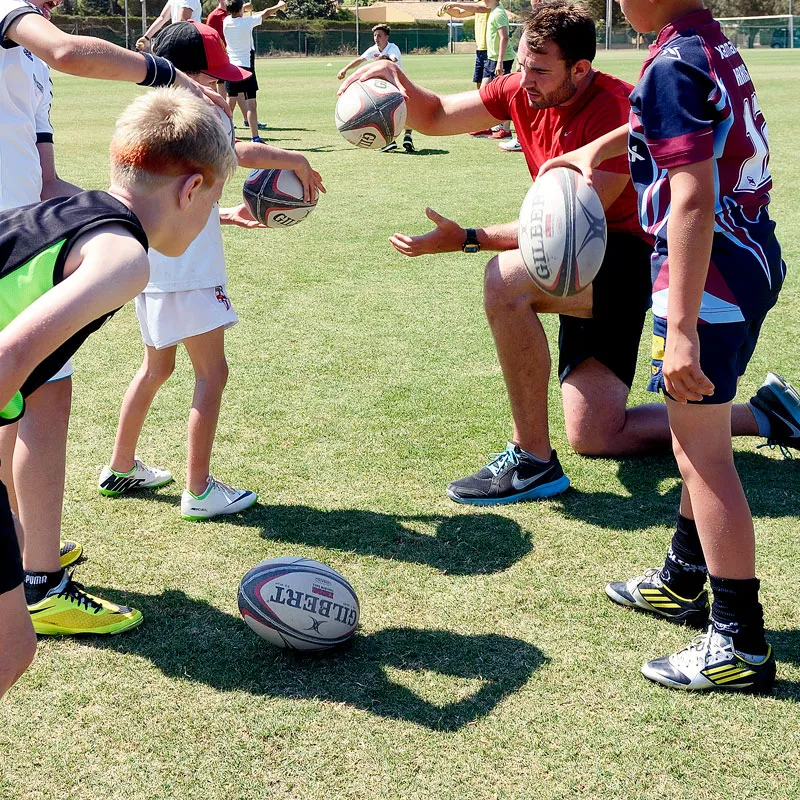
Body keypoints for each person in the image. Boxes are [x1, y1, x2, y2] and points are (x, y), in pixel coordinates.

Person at [339, 1, 798, 508]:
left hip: (629, 258)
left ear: (580, 69)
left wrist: (468, 237)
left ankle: (530, 459)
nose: (524, 79)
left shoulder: (618, 106)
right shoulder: (522, 89)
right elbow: (437, 115)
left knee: (505, 279)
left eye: (538, 70)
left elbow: (568, 227)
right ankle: (766, 415)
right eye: (519, 65)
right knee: (598, 435)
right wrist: (396, 81)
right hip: (585, 256)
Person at [543, 0, 793, 694]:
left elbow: (690, 197)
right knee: (696, 439)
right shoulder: (701, 41)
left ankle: (738, 640)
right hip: (746, 257)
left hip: (709, 277)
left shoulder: (672, 63)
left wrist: (679, 327)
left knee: (702, 456)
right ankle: (685, 577)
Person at [0, 0, 229, 637]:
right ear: (190, 191)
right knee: (12, 647)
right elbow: (6, 363)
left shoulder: (96, 226)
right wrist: (170, 78)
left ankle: (29, 562)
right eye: (214, 202)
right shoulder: (123, 262)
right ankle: (38, 578)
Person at [99, 21, 325, 522]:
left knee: (156, 369)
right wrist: (296, 158)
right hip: (192, 270)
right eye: (211, 75)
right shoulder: (201, 110)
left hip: (151, 262)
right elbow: (236, 156)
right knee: (212, 372)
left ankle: (120, 465)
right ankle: (199, 490)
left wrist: (221, 214)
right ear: (187, 73)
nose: (220, 88)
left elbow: (169, 190)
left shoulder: (147, 113)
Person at [337, 24, 415, 153]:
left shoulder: (392, 48)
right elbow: (360, 59)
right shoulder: (373, 49)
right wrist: (345, 69)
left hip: (398, 83)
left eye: (379, 35)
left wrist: (385, 58)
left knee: (405, 112)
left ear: (386, 37)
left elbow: (393, 59)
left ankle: (407, 137)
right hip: (385, 87)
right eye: (374, 35)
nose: (376, 38)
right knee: (387, 112)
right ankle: (393, 141)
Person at [223, 0, 286, 143]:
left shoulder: (226, 21)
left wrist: (244, 6)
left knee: (229, 105)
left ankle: (223, 136)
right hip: (246, 67)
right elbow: (266, 13)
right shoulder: (247, 23)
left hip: (231, 68)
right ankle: (255, 138)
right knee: (251, 104)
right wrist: (279, 5)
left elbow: (235, 11)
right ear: (240, 10)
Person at [136, 0, 202, 52]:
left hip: (190, 43)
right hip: (180, 41)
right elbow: (162, 17)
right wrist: (146, 37)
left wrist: (164, 43)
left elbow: (182, 23)